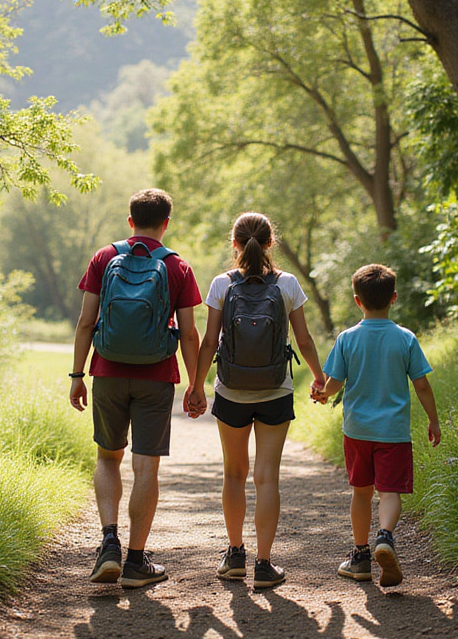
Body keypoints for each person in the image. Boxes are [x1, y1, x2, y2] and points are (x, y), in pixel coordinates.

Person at [70, 188, 202, 588]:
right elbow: (190, 333)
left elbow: (85, 322)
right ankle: (135, 561)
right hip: (157, 376)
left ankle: (108, 543)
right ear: (166, 223)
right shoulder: (177, 266)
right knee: (146, 466)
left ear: (130, 221)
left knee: (108, 458)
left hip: (107, 372)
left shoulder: (104, 257)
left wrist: (77, 376)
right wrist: (196, 384)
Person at [186, 212, 325, 590]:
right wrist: (319, 377)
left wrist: (197, 386)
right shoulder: (287, 284)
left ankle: (235, 556)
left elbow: (210, 341)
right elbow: (305, 340)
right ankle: (264, 564)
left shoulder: (221, 284)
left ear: (235, 244)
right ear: (270, 244)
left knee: (234, 473)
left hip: (231, 390)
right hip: (275, 390)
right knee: (267, 478)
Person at [311, 263, 441, 587]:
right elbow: (422, 385)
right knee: (390, 491)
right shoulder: (406, 339)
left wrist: (322, 394)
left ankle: (360, 556)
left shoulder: (347, 339)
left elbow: (334, 382)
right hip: (393, 432)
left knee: (361, 491)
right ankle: (385, 536)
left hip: (357, 431)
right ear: (393, 298)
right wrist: (434, 420)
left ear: (357, 301)